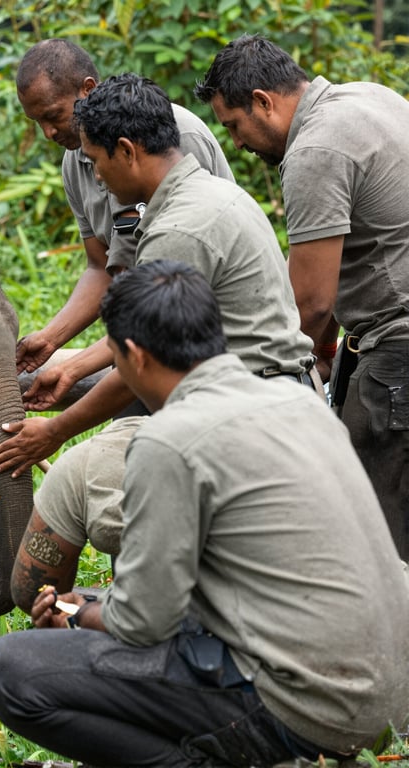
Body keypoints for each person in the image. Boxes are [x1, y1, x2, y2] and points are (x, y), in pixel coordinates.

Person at [0, 260, 409, 768]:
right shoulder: (300, 404)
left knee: (13, 669)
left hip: (313, 713)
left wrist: (79, 615)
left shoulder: (169, 440)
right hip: (393, 693)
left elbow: (142, 622)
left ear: (134, 357)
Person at [0, 74, 313, 609]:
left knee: (73, 479)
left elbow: (143, 366)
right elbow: (141, 342)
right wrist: (70, 366)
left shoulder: (177, 232)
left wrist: (55, 433)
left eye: (97, 162)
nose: (94, 174)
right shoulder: (208, 196)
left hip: (240, 418)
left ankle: (70, 620)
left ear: (126, 151)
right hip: (268, 398)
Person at [193, 34, 409, 560]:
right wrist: (326, 351)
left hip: (397, 350)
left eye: (234, 126)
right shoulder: (371, 97)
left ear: (264, 102)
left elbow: (309, 304)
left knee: (379, 528)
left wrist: (254, 384)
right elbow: (342, 259)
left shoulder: (314, 150)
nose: (238, 145)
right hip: (383, 334)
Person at [13, 39, 234, 381]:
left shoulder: (175, 138)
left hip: (206, 348)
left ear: (87, 90)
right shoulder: (75, 161)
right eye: (36, 122)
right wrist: (50, 339)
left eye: (53, 116)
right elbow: (102, 266)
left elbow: (177, 299)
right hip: (142, 340)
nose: (47, 133)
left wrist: (74, 370)